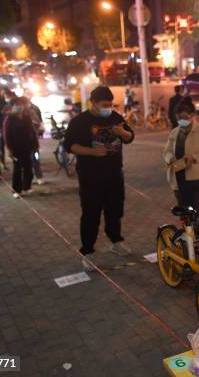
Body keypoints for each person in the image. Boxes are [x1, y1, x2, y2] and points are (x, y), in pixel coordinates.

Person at [63, 86, 134, 271]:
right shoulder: (79, 121)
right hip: (90, 177)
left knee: (115, 210)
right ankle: (87, 252)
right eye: (104, 105)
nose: (108, 108)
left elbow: (129, 137)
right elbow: (70, 146)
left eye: (110, 104)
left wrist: (122, 133)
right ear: (92, 103)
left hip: (114, 174)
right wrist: (92, 152)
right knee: (90, 214)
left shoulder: (115, 118)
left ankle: (116, 241)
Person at [163, 97, 199, 218]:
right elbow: (166, 152)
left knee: (197, 215)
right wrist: (170, 158)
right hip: (178, 180)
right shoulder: (175, 132)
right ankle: (187, 237)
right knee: (184, 216)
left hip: (196, 181)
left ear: (192, 115)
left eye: (185, 118)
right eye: (179, 118)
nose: (181, 121)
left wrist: (194, 158)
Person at [4, 97, 39, 198]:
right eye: (17, 104)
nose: (20, 106)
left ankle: (27, 187)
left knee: (28, 167)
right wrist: (9, 149)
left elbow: (32, 131)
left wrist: (36, 144)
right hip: (16, 147)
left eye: (21, 104)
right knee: (17, 168)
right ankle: (16, 190)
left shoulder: (26, 117)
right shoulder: (9, 119)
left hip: (27, 146)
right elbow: (7, 135)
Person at [28, 101, 45, 185]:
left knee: (35, 158)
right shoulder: (14, 116)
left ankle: (39, 176)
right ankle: (27, 180)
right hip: (21, 143)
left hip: (32, 140)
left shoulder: (32, 110)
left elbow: (38, 122)